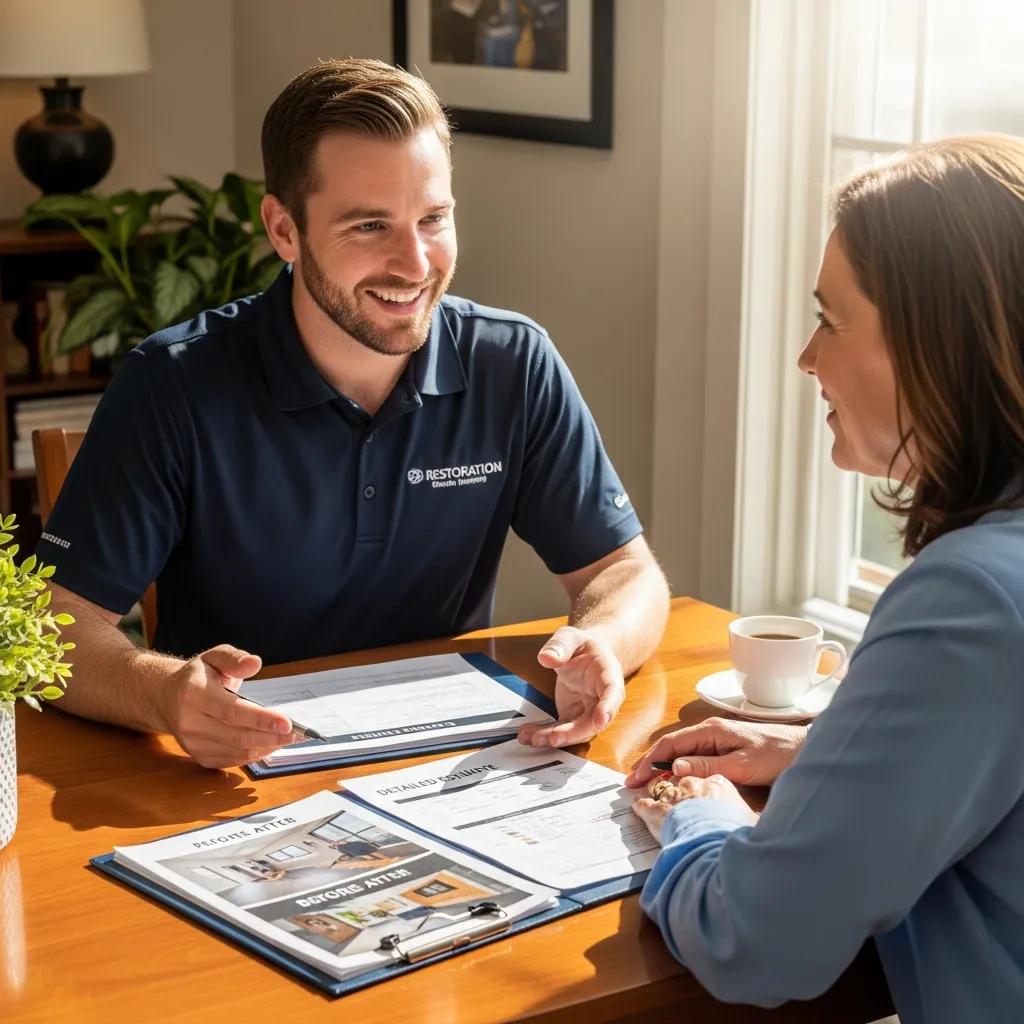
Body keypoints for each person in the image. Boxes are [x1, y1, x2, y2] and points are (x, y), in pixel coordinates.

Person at [38, 58, 669, 770]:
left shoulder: (513, 364)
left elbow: (624, 574)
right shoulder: (173, 385)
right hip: (237, 782)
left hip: (450, 770)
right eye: (370, 226)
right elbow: (55, 624)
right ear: (283, 229)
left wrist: (604, 643)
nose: (414, 263)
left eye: (433, 219)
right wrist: (166, 695)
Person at [627, 134, 1024, 1023]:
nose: (808, 358)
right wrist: (825, 762)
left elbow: (757, 941)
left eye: (831, 320)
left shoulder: (973, 598)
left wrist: (698, 815)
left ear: (939, 346)